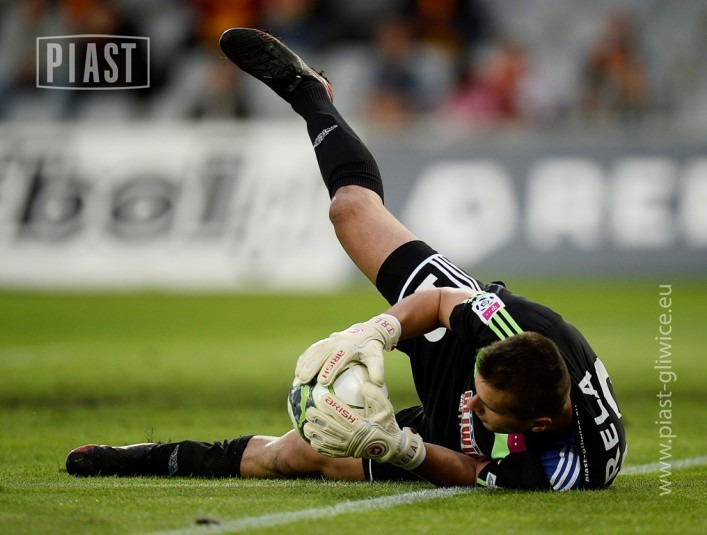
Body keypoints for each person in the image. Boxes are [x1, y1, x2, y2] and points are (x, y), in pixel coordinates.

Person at [66, 28, 627, 490]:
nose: (472, 403)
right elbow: (437, 303)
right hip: (464, 348)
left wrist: (399, 447)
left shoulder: (563, 470)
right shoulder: (511, 328)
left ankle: (141, 458)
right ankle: (309, 93)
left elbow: (468, 470)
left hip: (475, 444)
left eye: (485, 407)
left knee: (303, 454)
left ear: (537, 426)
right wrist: (374, 333)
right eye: (476, 394)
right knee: (351, 211)